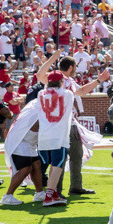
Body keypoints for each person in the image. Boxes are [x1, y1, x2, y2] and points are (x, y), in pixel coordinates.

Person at [36, 51, 109, 195]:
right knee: (60, 157)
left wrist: (98, 81)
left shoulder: (68, 80)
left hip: (71, 122)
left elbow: (81, 91)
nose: (76, 69)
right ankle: (56, 189)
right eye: (75, 66)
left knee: (77, 154)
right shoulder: (55, 78)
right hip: (59, 124)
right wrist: (53, 58)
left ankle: (75, 186)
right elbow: (39, 75)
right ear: (70, 67)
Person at [37, 71, 75, 207]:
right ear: (60, 81)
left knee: (53, 165)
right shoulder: (68, 94)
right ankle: (49, 195)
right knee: (58, 165)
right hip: (58, 136)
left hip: (44, 135)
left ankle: (52, 193)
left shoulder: (40, 93)